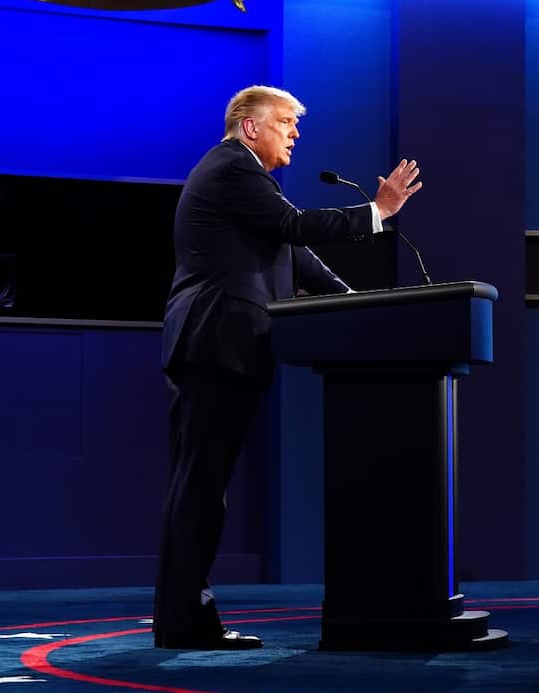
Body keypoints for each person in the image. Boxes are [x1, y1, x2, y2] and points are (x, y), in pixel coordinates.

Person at [154, 86, 422, 649]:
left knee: (204, 484)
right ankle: (183, 621)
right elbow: (299, 228)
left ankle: (185, 618)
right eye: (286, 123)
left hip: (222, 345)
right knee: (200, 486)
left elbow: (297, 256)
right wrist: (379, 211)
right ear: (251, 127)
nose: (295, 133)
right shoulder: (233, 168)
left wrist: (360, 302)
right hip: (214, 341)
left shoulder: (246, 182)